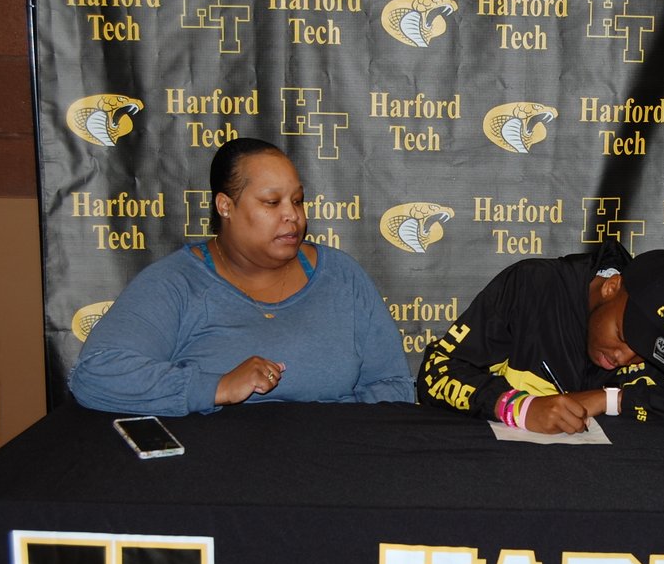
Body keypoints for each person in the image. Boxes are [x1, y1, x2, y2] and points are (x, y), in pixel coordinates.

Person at [69, 138, 414, 415]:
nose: (292, 216)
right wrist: (218, 387)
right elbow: (96, 373)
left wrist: (328, 430)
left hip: (332, 463)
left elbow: (393, 385)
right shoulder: (176, 283)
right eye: (271, 202)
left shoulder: (342, 276)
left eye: (297, 201)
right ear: (225, 206)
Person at [417, 240, 664, 433]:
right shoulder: (533, 287)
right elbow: (435, 372)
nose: (625, 356)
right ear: (612, 287)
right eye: (625, 335)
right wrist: (516, 407)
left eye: (645, 352)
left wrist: (612, 400)